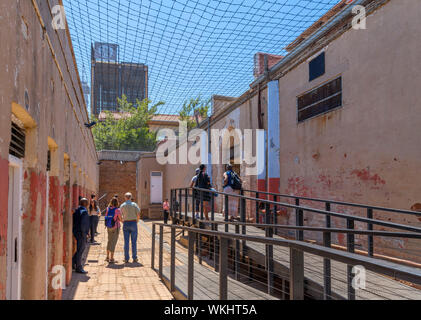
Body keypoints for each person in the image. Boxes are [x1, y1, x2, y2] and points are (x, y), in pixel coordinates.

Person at [120, 192, 140, 263]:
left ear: (125, 197)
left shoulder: (122, 205)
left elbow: (119, 214)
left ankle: (126, 258)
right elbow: (138, 214)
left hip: (126, 223)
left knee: (126, 242)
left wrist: (122, 221)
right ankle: (134, 257)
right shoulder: (134, 205)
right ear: (131, 197)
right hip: (133, 222)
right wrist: (137, 221)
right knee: (134, 242)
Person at [72, 198, 90, 274]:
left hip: (76, 232)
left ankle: (73, 263)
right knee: (81, 250)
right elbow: (83, 225)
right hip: (81, 233)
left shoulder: (76, 210)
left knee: (79, 249)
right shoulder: (85, 212)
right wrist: (85, 234)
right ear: (87, 204)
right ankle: (79, 267)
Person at [105, 198, 122, 263]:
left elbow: (106, 216)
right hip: (115, 227)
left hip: (109, 226)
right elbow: (120, 219)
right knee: (113, 242)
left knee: (109, 241)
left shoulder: (107, 209)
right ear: (117, 203)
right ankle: (111, 258)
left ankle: (107, 256)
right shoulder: (117, 210)